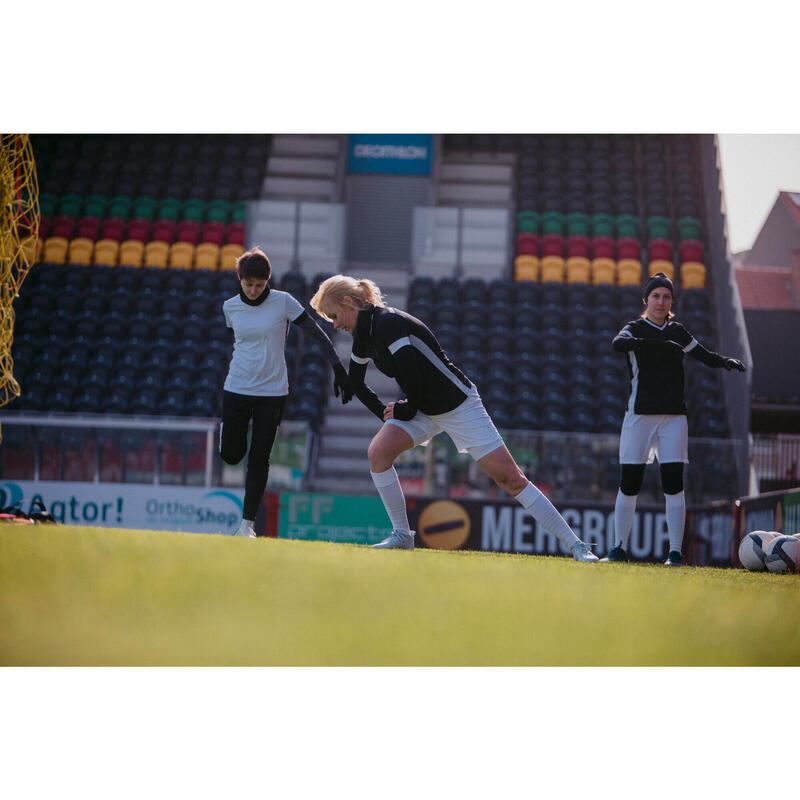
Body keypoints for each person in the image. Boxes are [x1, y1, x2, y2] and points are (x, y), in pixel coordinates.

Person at [309, 274, 599, 561]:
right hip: (422, 406)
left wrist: (403, 411)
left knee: (511, 480)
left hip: (457, 404)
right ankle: (402, 535)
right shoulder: (362, 337)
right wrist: (388, 416)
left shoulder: (388, 324)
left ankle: (577, 546)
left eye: (333, 315)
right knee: (378, 453)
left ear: (349, 301)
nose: (334, 324)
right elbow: (358, 383)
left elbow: (416, 377)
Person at [606, 272, 746, 565]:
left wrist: (725, 362)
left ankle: (675, 552)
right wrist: (656, 345)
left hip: (673, 419)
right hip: (639, 416)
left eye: (666, 296)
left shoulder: (678, 331)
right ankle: (618, 548)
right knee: (629, 484)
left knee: (674, 485)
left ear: (671, 301)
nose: (661, 301)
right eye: (656, 296)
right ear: (647, 299)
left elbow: (704, 355)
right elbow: (617, 344)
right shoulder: (634, 328)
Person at [220, 248, 353, 538]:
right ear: (239, 279)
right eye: (248, 284)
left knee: (259, 457)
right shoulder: (230, 307)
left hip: (272, 391)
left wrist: (337, 367)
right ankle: (229, 437)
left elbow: (317, 332)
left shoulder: (283, 302)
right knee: (231, 455)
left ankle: (247, 525)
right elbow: (240, 345)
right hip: (237, 388)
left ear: (268, 280)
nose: (254, 290)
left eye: (260, 284)